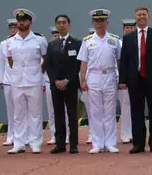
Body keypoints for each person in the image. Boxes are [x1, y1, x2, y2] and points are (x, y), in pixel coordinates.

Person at [119, 6, 152, 154]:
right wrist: (122, 80)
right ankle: (138, 144)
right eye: (139, 15)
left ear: (148, 17)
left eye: (144, 15)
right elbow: (124, 61)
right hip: (135, 80)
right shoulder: (128, 38)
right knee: (136, 112)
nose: (141, 17)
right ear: (135, 18)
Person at [78, 9, 121, 153]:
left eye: (102, 20)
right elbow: (84, 62)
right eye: (96, 21)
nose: (99, 23)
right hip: (94, 77)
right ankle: (97, 143)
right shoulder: (87, 41)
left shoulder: (114, 40)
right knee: (95, 112)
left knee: (110, 111)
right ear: (92, 23)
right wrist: (82, 81)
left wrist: (121, 78)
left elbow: (119, 61)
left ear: (107, 22)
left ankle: (110, 143)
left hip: (110, 76)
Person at [6, 8, 48, 154]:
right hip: (17, 81)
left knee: (35, 114)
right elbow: (10, 60)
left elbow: (45, 59)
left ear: (30, 22)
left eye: (24, 20)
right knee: (18, 114)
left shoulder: (39, 39)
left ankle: (35, 142)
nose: (21, 23)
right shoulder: (10, 41)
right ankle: (19, 143)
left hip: (34, 80)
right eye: (19, 20)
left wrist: (38, 72)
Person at [46, 15, 82, 154]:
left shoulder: (77, 43)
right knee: (58, 114)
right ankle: (60, 144)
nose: (61, 25)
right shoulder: (51, 44)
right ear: (56, 25)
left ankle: (73, 144)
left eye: (64, 22)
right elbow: (48, 65)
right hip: (56, 86)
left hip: (70, 85)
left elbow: (78, 65)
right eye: (59, 23)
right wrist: (55, 80)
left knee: (72, 114)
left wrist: (67, 80)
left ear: (69, 24)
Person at [0, 19, 18, 146]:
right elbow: (1, 62)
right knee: (10, 110)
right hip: (8, 80)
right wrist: (1, 80)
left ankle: (24, 135)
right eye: (11, 27)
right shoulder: (3, 44)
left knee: (22, 110)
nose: (13, 29)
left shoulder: (22, 42)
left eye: (15, 27)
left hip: (21, 81)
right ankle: (10, 136)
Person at [118, 19, 136, 144]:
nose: (129, 30)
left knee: (136, 107)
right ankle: (125, 134)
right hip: (123, 79)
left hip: (136, 78)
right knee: (125, 107)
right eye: (127, 28)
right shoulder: (118, 43)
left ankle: (134, 133)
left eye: (131, 27)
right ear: (123, 29)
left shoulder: (138, 41)